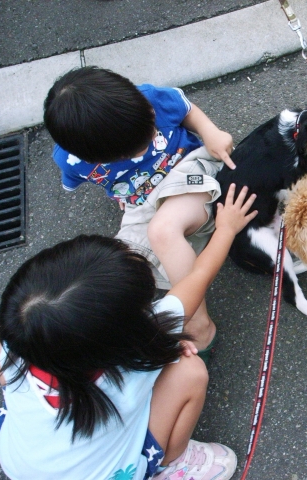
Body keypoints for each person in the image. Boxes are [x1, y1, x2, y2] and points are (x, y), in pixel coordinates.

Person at [0, 184, 257, 480]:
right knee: (189, 371)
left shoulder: (12, 337)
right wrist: (226, 228)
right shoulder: (134, 371)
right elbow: (198, 276)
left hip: (22, 464)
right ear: (122, 341)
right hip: (111, 473)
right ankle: (172, 463)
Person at [43, 66, 237, 360]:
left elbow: (187, 109)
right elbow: (86, 181)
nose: (147, 142)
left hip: (190, 168)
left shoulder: (150, 98)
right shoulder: (71, 160)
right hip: (142, 202)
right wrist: (124, 193)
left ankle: (199, 325)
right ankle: (124, 343)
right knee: (119, 264)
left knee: (162, 231)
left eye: (150, 130)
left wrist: (211, 132)